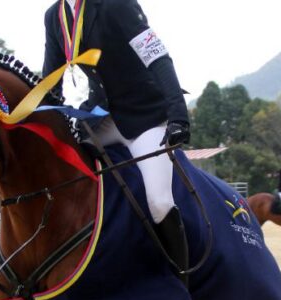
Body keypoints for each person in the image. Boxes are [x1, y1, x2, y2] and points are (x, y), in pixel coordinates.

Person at [43, 0, 191, 282]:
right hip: (102, 119)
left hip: (144, 117)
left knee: (159, 202)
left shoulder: (116, 3)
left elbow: (157, 56)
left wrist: (178, 115)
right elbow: (51, 78)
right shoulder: (55, 16)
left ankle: (182, 285)